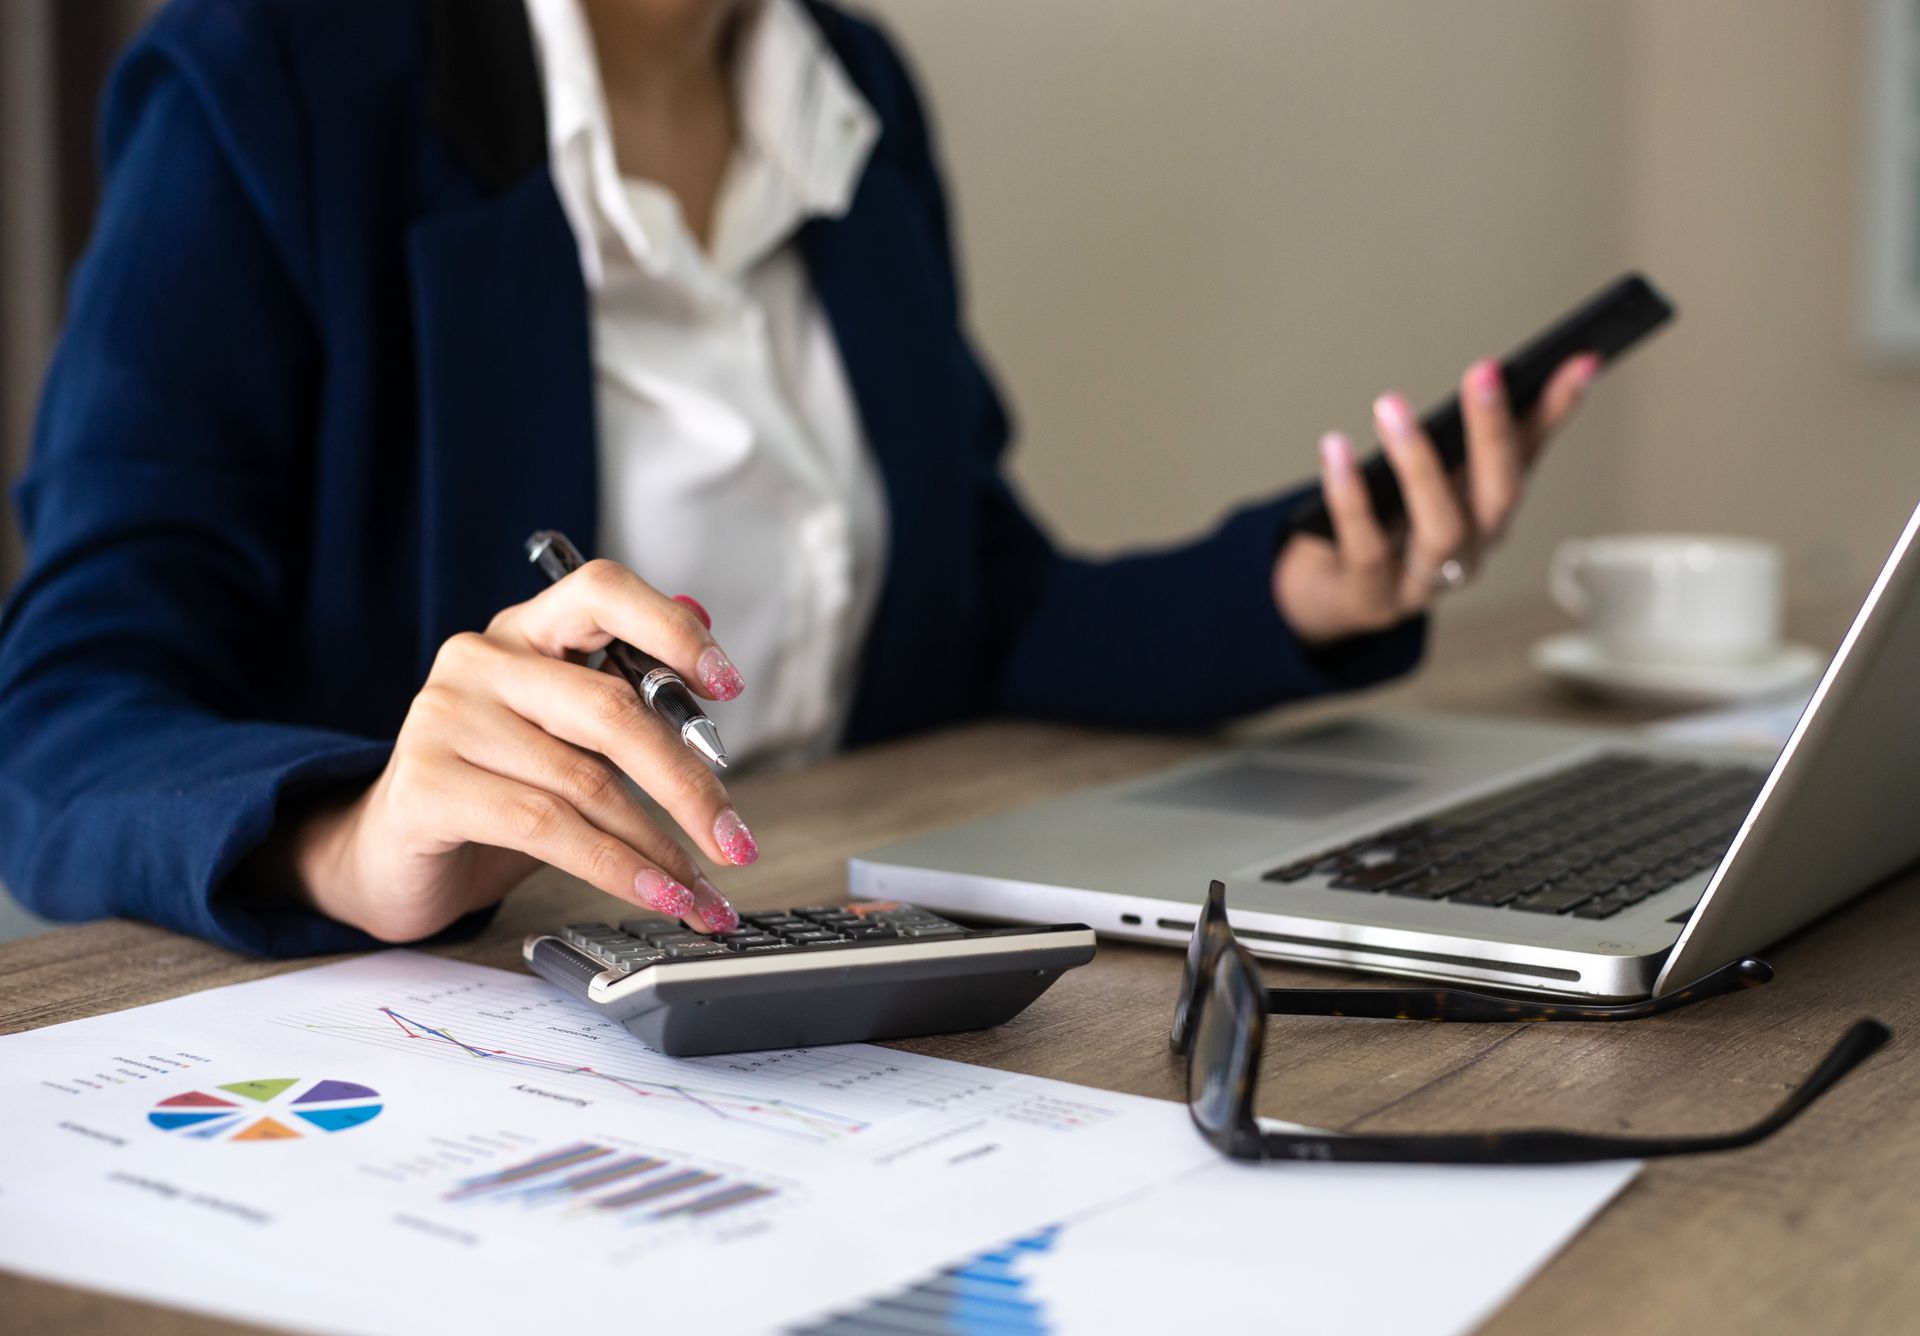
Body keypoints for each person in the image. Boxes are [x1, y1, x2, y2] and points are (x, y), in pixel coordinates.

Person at [0, 0, 1598, 956]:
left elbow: (969, 612)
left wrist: (1297, 588)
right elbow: (64, 716)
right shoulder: (270, 77)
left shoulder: (852, 93)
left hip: (844, 972)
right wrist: (356, 834)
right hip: (466, 1049)